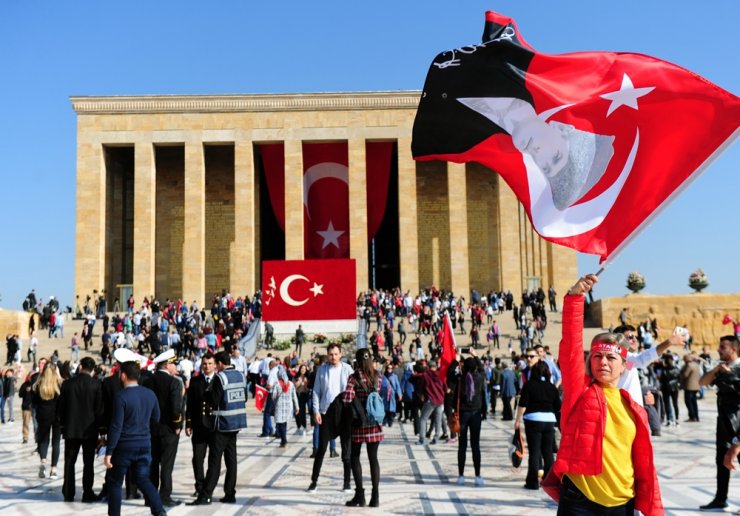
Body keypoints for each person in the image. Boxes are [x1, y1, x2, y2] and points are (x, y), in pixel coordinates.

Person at [547, 274, 662, 516]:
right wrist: (575, 298)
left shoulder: (632, 406)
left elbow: (643, 461)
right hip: (581, 501)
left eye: (611, 358)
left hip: (622, 501)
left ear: (624, 365)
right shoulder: (582, 393)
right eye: (597, 356)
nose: (603, 362)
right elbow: (570, 348)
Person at [103, 360, 166, 516]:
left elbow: (116, 426)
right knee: (143, 479)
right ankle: (159, 511)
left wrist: (109, 451)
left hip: (124, 445)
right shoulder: (150, 394)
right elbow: (156, 418)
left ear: (123, 375)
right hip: (144, 443)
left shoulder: (121, 396)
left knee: (115, 483)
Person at [190, 350, 248, 505]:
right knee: (231, 460)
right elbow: (245, 396)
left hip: (222, 424)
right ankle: (230, 493)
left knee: (214, 461)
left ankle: (206, 494)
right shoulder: (240, 375)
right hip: (236, 423)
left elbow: (214, 399)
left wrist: (206, 394)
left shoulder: (220, 377)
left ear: (220, 364)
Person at [698, 335, 740, 511]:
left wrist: (732, 376)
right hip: (723, 421)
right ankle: (720, 498)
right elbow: (702, 382)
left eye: (723, 347)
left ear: (734, 349)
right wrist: (717, 369)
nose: (718, 350)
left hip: (738, 421)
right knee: (721, 461)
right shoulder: (721, 368)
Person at [307, 343, 353, 493]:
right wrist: (316, 411)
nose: (333, 357)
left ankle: (347, 482)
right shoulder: (322, 370)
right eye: (331, 354)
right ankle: (314, 481)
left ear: (340, 354)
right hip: (326, 412)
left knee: (346, 450)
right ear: (327, 355)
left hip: (344, 413)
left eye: (336, 354)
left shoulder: (347, 370)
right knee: (321, 449)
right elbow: (316, 392)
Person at [57, 356, 103, 502]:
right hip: (89, 431)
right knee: (88, 463)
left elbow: (61, 409)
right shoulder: (96, 385)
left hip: (71, 430)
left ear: (81, 366)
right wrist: (101, 429)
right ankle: (87, 492)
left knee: (70, 462)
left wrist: (62, 426)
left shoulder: (68, 384)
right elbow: (99, 410)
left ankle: (68, 492)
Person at [143, 349, 184, 507]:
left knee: (152, 463)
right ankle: (165, 495)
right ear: (167, 365)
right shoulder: (174, 382)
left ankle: (150, 497)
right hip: (168, 429)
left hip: (151, 428)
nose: (175, 367)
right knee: (167, 464)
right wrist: (177, 424)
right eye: (174, 363)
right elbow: (175, 408)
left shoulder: (148, 381)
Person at [342, 348, 383, 507]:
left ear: (357, 361)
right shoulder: (377, 375)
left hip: (359, 423)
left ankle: (360, 495)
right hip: (374, 423)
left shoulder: (354, 377)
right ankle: (376, 497)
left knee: (355, 457)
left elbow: (346, 399)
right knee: (374, 459)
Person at [515, 360, 560, 490]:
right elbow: (558, 406)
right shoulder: (551, 387)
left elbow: (522, 404)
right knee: (548, 452)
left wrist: (517, 420)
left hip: (533, 420)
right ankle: (550, 481)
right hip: (549, 420)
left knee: (535, 452)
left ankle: (532, 482)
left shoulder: (529, 385)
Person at [185, 352, 215, 498]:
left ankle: (209, 487)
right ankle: (199, 485)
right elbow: (189, 404)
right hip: (199, 425)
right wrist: (188, 423)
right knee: (197, 458)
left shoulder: (219, 380)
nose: (207, 366)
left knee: (213, 459)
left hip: (215, 426)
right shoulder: (195, 381)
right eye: (204, 364)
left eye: (210, 364)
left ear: (215, 365)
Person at [456, 356, 486, 487]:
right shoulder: (479, 378)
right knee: (476, 445)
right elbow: (482, 369)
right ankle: (477, 475)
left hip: (463, 414)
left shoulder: (460, 379)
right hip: (476, 414)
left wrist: (455, 360)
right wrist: (476, 356)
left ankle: (461, 475)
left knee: (462, 446)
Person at [33, 362, 62, 480]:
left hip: (43, 415)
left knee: (44, 440)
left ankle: (43, 462)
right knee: (56, 443)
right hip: (56, 416)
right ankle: (53, 469)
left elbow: (34, 402)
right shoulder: (59, 384)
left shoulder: (38, 384)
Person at [416, 360, 445, 445]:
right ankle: (436, 438)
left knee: (423, 419)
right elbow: (445, 387)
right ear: (435, 366)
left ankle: (422, 439)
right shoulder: (441, 374)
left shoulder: (425, 375)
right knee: (438, 420)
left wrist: (422, 395)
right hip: (440, 400)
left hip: (430, 400)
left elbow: (421, 387)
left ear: (428, 367)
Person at [271, 366, 299, 447]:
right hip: (288, 407)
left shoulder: (277, 384)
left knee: (280, 424)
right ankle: (284, 439)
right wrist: (297, 407)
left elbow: (273, 396)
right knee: (284, 423)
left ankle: (284, 440)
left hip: (279, 407)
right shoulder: (290, 383)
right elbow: (294, 396)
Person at [379, 361, 402, 428]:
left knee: (391, 408)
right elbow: (380, 385)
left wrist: (399, 394)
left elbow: (397, 386)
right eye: (388, 368)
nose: (389, 369)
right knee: (384, 408)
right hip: (384, 394)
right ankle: (384, 421)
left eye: (391, 368)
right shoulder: (383, 376)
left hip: (392, 394)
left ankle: (390, 421)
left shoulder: (394, 376)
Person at [679, 354, 701, 422]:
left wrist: (681, 372)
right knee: (694, 402)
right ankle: (696, 416)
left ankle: (692, 416)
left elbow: (685, 375)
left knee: (688, 402)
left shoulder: (688, 365)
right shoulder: (696, 364)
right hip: (696, 386)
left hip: (689, 386)